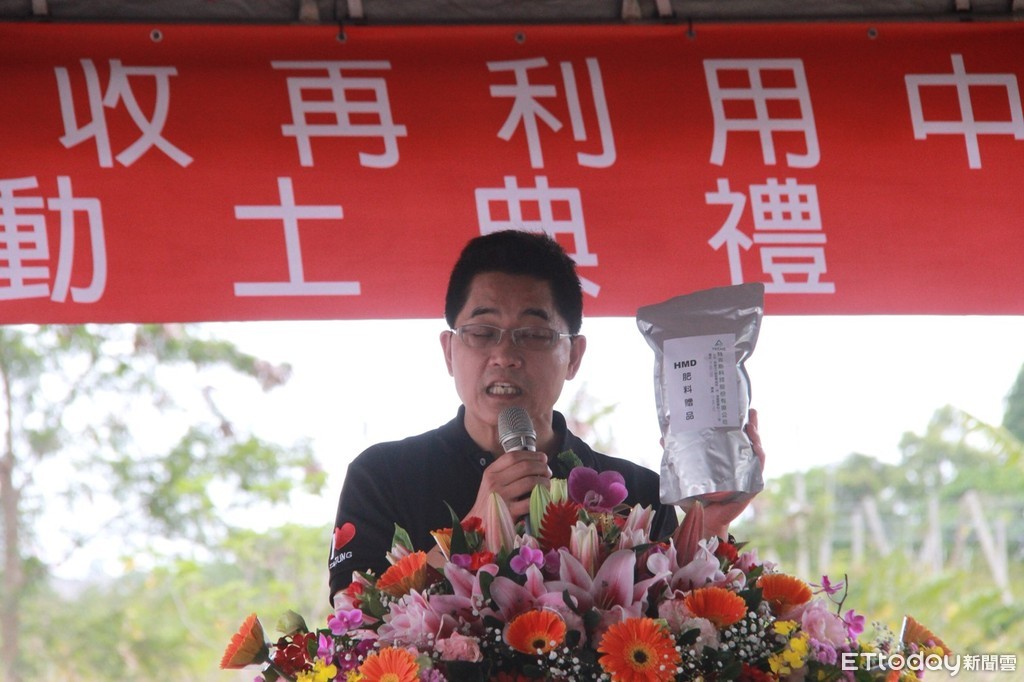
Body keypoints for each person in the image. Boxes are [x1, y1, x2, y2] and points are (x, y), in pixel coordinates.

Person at [328, 230, 764, 603]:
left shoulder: (640, 493)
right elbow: (353, 622)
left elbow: (679, 624)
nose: (504, 355)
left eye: (535, 334)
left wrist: (710, 528)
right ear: (448, 350)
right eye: (482, 332)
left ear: (573, 356)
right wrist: (472, 533)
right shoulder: (383, 476)